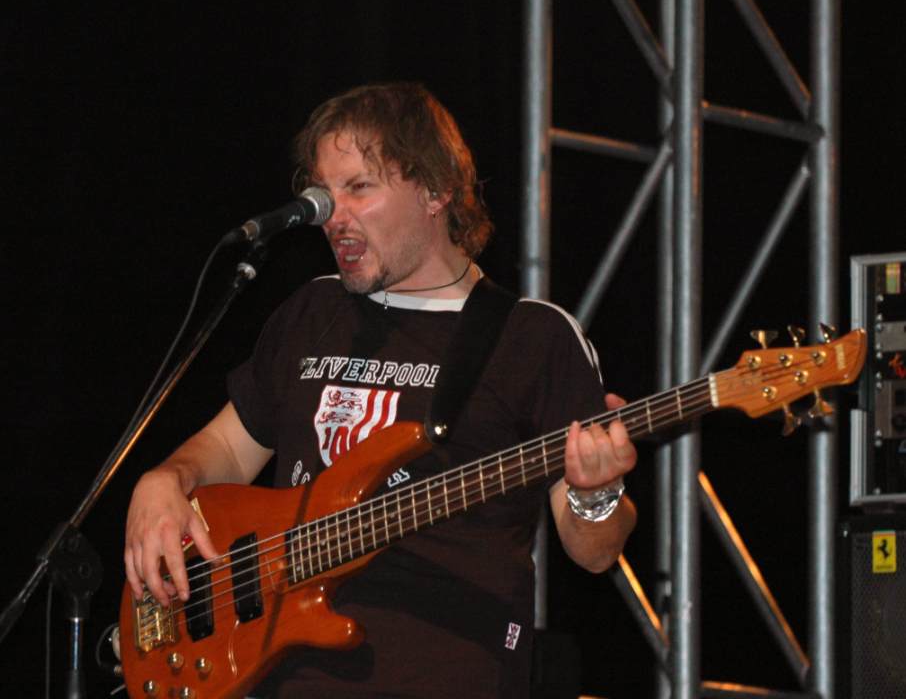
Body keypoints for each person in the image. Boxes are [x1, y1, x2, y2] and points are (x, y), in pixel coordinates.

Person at [124, 82, 637, 698]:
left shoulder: (532, 337)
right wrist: (165, 479)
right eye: (322, 192)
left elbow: (594, 553)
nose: (331, 216)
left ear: (435, 190)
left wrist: (595, 495)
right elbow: (229, 450)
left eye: (359, 188)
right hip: (280, 675)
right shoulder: (312, 311)